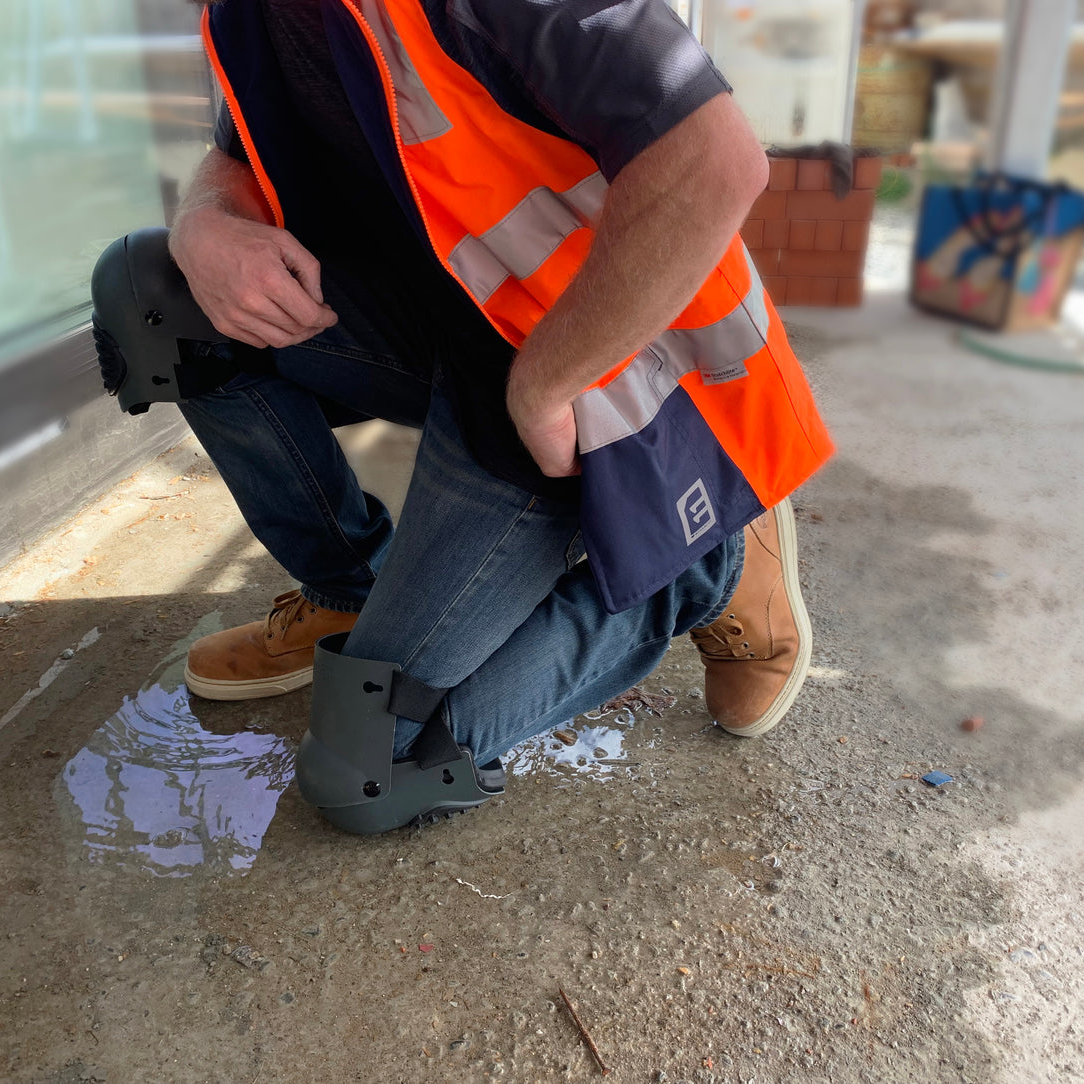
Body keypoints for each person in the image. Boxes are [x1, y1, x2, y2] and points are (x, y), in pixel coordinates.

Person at [167, 0, 833, 825]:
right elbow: (233, 153)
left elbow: (714, 162)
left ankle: (708, 566)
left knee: (367, 771)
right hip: (432, 323)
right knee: (151, 300)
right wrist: (204, 223)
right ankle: (347, 588)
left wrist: (545, 385)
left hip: (582, 362)